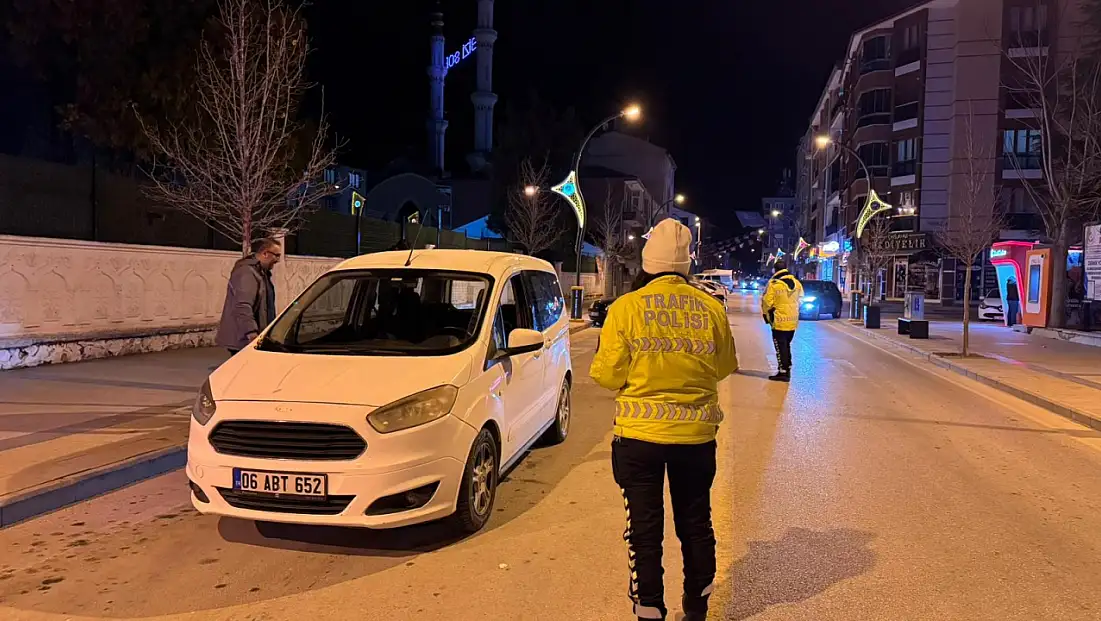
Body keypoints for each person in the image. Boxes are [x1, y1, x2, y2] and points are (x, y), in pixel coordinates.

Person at [590, 218, 738, 621]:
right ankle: (697, 605)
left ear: (647, 262)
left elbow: (607, 376)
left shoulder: (626, 308)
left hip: (639, 440)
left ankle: (649, 610)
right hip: (695, 439)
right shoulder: (711, 308)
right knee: (696, 523)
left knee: (643, 530)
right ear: (686, 264)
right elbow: (725, 366)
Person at [216, 238, 281, 355]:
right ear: (265, 253)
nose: (278, 260)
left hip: (254, 337)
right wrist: (251, 333)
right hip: (244, 339)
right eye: (276, 255)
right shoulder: (247, 272)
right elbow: (243, 305)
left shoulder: (261, 273)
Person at [760, 259, 803, 382]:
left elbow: (766, 302)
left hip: (779, 320)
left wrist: (767, 315)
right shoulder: (797, 283)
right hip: (792, 320)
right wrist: (793, 309)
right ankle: (787, 368)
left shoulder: (774, 284)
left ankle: (783, 372)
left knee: (780, 347)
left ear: (775, 270)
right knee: (786, 345)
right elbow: (801, 299)